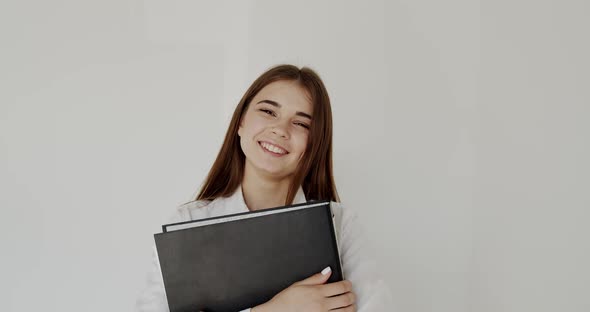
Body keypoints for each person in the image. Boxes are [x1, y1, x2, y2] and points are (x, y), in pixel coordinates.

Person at [136, 64, 394, 311]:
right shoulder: (190, 222)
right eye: (269, 112)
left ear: (315, 144)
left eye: (301, 123)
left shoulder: (341, 225)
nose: (280, 130)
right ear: (241, 122)